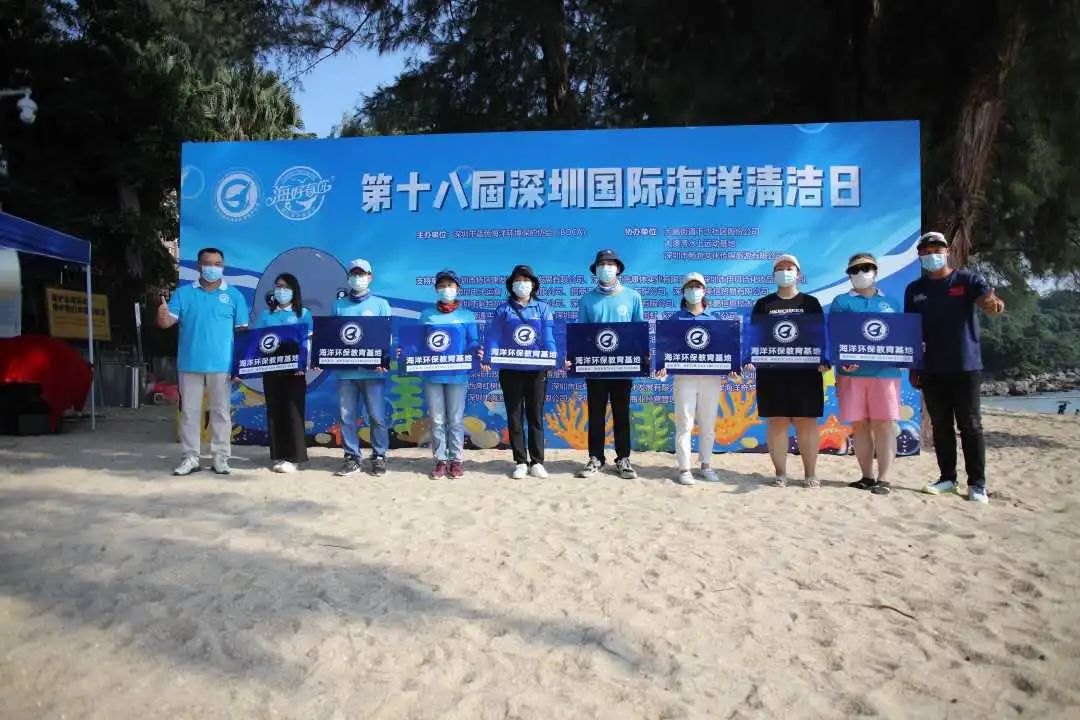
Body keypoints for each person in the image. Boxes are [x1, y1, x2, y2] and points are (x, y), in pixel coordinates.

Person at [905, 231, 1005, 504]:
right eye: (926, 251)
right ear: (919, 256)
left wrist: (993, 305)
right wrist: (914, 368)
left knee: (971, 426)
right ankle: (947, 478)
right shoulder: (915, 289)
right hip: (931, 368)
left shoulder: (967, 280)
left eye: (937, 249)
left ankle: (977, 484)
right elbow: (911, 331)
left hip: (965, 366)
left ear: (947, 251)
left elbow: (990, 302)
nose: (932, 255)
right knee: (941, 426)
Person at [157, 247, 249, 476]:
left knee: (221, 412)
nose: (213, 268)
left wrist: (239, 365)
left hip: (222, 364)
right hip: (189, 363)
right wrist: (162, 315)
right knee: (189, 413)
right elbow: (166, 323)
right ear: (199, 266)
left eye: (218, 264)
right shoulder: (183, 294)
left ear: (223, 267)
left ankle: (220, 457)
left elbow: (242, 333)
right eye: (208, 263)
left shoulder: (234, 295)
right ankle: (190, 458)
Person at [748, 254, 827, 488]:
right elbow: (754, 336)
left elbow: (821, 334)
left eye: (789, 268)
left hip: (806, 372)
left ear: (798, 274)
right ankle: (780, 473)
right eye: (780, 269)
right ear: (774, 275)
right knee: (777, 421)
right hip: (772, 373)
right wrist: (749, 358)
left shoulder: (810, 303)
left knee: (806, 421)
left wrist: (825, 358)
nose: (785, 272)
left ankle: (810, 474)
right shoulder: (763, 304)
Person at [830, 253, 901, 496]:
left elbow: (900, 336)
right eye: (855, 269)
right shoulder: (842, 302)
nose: (861, 273)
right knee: (859, 425)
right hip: (852, 375)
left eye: (866, 267)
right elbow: (836, 335)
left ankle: (884, 479)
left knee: (884, 424)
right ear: (849, 275)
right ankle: (867, 476)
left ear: (875, 271)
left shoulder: (891, 303)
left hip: (885, 373)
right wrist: (842, 360)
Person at [655, 272, 732, 486]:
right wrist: (662, 366)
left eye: (697, 286)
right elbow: (666, 348)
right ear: (683, 292)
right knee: (685, 424)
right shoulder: (675, 319)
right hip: (684, 378)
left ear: (704, 291)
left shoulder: (714, 320)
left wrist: (732, 368)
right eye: (689, 287)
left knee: (708, 424)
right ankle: (684, 468)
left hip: (710, 378)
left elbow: (724, 348)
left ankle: (706, 465)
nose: (694, 290)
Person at [574, 249, 645, 480]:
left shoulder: (633, 297)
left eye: (610, 264)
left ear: (618, 269)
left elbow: (638, 332)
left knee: (621, 414)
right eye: (601, 264)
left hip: (622, 368)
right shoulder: (587, 300)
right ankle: (596, 458)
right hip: (595, 368)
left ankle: (623, 458)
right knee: (595, 414)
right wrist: (575, 357)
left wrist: (642, 356)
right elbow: (581, 334)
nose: (606, 268)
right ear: (595, 270)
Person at [482, 264, 557, 479]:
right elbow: (494, 336)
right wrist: (488, 356)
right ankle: (521, 461)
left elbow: (548, 337)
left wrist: (552, 357)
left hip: (537, 371)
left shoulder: (543, 308)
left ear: (533, 284)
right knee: (514, 416)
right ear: (511, 284)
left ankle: (537, 462)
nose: (522, 284)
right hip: (510, 370)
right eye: (517, 280)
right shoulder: (503, 309)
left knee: (535, 416)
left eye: (526, 280)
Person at [333, 258, 392, 477]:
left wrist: (383, 360)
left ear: (370, 277)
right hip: (346, 373)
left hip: (372, 372)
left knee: (377, 417)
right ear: (348, 277)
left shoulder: (381, 304)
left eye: (362, 274)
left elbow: (386, 338)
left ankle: (379, 456)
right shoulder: (338, 305)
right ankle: (351, 457)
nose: (358, 278)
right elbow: (332, 336)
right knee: (346, 417)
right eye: (354, 274)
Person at [420, 269, 482, 479]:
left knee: (455, 419)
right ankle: (440, 460)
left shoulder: (467, 315)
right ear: (436, 289)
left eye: (450, 285)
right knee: (437, 419)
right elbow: (418, 343)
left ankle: (456, 460)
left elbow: (473, 341)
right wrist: (407, 351)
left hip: (457, 374)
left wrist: (477, 350)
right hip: (432, 375)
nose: (446, 289)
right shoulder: (427, 315)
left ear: (457, 288)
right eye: (442, 285)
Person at [254, 273, 312, 473]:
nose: (281, 290)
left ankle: (294, 457)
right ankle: (278, 454)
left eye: (286, 287)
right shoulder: (266, 315)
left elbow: (307, 342)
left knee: (294, 412)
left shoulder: (303, 314)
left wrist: (302, 365)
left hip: (295, 372)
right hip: (271, 370)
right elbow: (256, 342)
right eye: (278, 286)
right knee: (275, 411)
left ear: (294, 291)